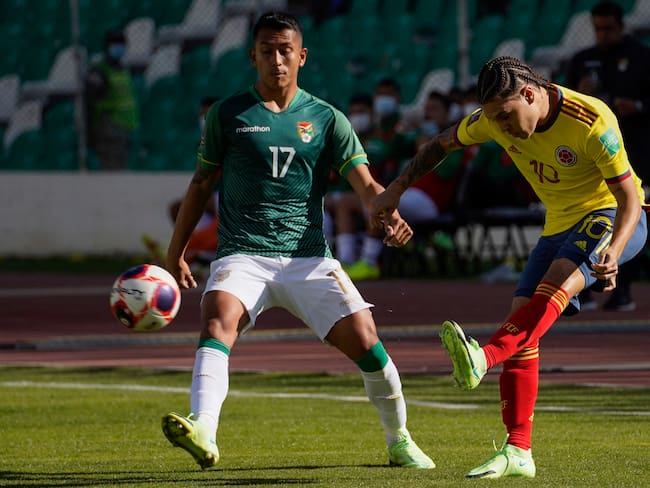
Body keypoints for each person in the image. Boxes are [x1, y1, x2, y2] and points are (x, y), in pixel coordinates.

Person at [160, 12, 434, 470]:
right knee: (215, 324)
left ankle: (399, 439)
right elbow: (200, 185)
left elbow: (365, 185)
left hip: (307, 257)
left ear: (301, 56)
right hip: (243, 253)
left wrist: (387, 215)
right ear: (253, 57)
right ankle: (203, 429)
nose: (277, 59)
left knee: (367, 342)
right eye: (266, 51)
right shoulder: (227, 115)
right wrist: (176, 252)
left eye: (285, 50)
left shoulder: (328, 119)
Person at [370, 56, 647, 479]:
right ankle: (518, 451)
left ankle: (484, 357)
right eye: (493, 119)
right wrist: (395, 189)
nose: (499, 127)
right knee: (523, 322)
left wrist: (615, 249)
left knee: (554, 287)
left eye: (505, 116)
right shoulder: (492, 118)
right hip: (558, 223)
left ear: (530, 94)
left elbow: (629, 197)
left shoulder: (591, 120)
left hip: (610, 215)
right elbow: (440, 145)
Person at [566, 0, 650, 311]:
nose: (603, 35)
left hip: (635, 153)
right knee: (585, 217)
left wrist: (638, 106)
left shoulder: (642, 57)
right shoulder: (582, 60)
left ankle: (623, 289)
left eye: (609, 29)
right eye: (598, 29)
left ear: (622, 26)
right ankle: (582, 288)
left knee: (630, 218)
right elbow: (560, 100)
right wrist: (579, 90)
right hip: (590, 157)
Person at [143, 97, 220, 271]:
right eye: (202, 116)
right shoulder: (203, 142)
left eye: (207, 116)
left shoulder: (229, 139)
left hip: (230, 198)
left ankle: (186, 252)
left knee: (216, 223)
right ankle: (195, 255)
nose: (204, 121)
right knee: (180, 208)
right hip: (214, 198)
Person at [85, 28, 139, 170]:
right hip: (108, 127)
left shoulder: (123, 69)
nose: (119, 48)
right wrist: (90, 131)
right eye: (115, 44)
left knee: (121, 170)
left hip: (125, 127)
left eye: (122, 44)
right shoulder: (99, 70)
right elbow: (90, 102)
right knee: (111, 171)